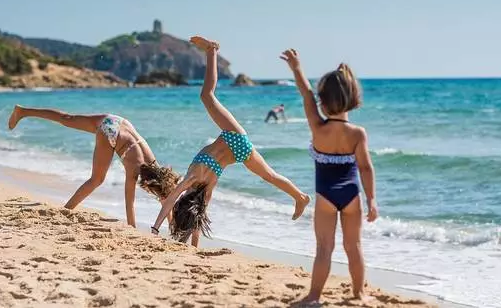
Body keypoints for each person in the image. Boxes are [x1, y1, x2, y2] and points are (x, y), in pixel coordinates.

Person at [150, 36, 311, 247]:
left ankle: (300, 197)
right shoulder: (191, 178)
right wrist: (155, 228)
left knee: (269, 175)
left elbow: (199, 214)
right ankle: (211, 51)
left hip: (239, 154)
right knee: (207, 96)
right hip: (233, 137)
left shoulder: (206, 189)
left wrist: (192, 246)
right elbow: (171, 199)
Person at [280, 48, 379, 303]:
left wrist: (296, 68)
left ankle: (314, 296)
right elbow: (366, 168)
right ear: (351, 98)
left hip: (325, 196)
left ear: (322, 102)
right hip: (351, 196)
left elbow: (305, 93)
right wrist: (372, 200)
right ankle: (359, 294)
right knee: (354, 247)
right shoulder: (358, 133)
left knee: (324, 249)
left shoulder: (318, 126)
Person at [7, 106, 180, 227]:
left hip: (118, 121)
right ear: (150, 184)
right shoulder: (134, 171)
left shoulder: (154, 164)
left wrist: (172, 225)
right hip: (110, 134)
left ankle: (23, 111)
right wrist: (132, 227)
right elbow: (130, 203)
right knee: (96, 179)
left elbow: (165, 197)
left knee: (67, 118)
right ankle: (66, 210)